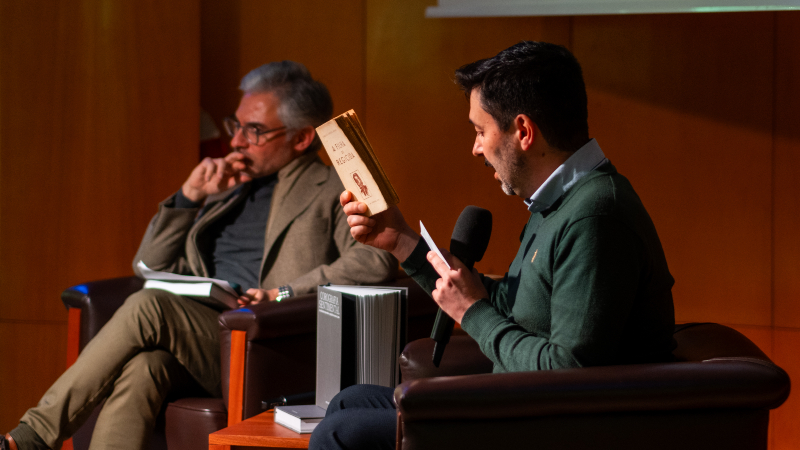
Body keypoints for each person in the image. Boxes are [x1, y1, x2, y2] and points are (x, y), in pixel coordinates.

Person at [1, 61, 396, 450]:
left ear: (302, 138)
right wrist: (189, 197)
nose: (237, 141)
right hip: (200, 331)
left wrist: (283, 292)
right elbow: (147, 266)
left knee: (148, 306)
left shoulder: (335, 188)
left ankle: (31, 438)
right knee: (145, 368)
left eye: (254, 131)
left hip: (262, 342)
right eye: (236, 125)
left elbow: (375, 260)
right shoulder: (226, 189)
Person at [309, 41, 676, 450]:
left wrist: (472, 313)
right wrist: (400, 241)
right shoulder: (558, 201)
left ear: (522, 131)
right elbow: (516, 305)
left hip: (555, 426)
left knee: (340, 433)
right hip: (520, 405)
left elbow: (570, 374)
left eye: (480, 131)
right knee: (349, 401)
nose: (476, 147)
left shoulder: (596, 215)